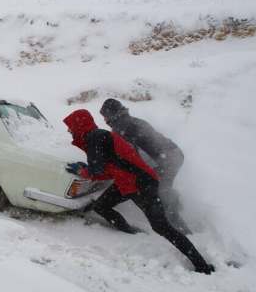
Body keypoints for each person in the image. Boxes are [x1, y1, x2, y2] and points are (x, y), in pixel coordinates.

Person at [63, 109, 214, 274]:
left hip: (141, 185)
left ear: (80, 125)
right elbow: (108, 169)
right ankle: (132, 233)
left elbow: (97, 171)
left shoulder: (95, 138)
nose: (69, 130)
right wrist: (86, 170)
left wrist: (83, 170)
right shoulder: (98, 136)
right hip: (128, 183)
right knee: (102, 206)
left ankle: (202, 266)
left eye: (70, 126)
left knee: (162, 227)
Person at [100, 98, 190, 234]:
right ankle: (176, 205)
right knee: (163, 188)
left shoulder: (120, 127)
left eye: (105, 117)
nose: (105, 121)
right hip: (175, 154)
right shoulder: (133, 120)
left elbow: (130, 155)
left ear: (110, 114)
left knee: (161, 194)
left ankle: (184, 231)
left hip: (167, 160)